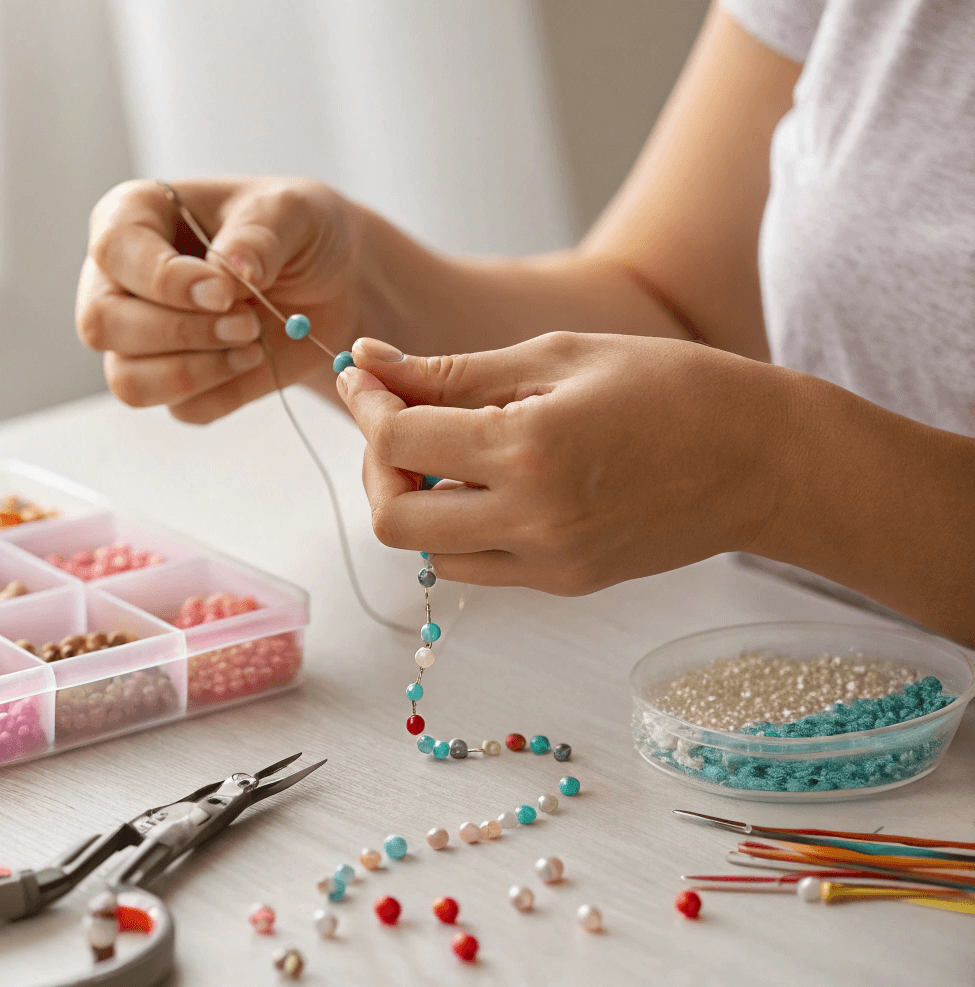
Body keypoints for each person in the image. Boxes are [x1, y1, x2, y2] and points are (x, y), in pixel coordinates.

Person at [75, 1, 974, 646]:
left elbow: (735, 423)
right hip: (809, 706)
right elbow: (675, 306)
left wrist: (775, 471)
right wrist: (357, 296)